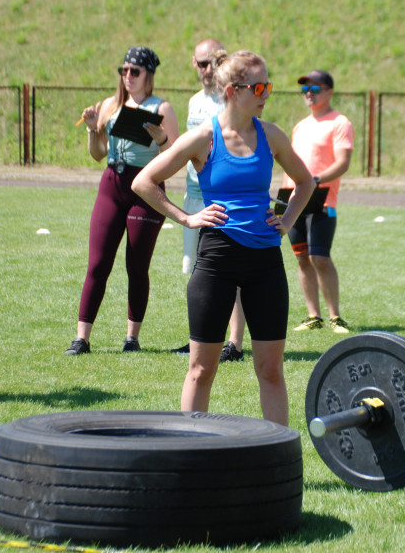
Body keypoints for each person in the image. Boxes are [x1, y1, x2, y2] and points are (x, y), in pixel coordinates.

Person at [132, 50, 315, 426]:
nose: (266, 94)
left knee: (270, 369)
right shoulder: (204, 138)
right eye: (259, 86)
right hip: (216, 260)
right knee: (201, 368)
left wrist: (285, 220)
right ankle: (192, 449)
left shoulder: (271, 135)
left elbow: (306, 181)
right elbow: (143, 182)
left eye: (269, 85)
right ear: (233, 90)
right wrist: (186, 218)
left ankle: (275, 454)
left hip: (265, 263)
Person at [64, 47, 178, 355]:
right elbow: (99, 153)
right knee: (98, 263)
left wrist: (161, 138)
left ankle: (132, 338)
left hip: (146, 186)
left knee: (137, 265)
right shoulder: (110, 105)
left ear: (148, 75)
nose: (128, 76)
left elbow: (175, 157)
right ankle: (82, 338)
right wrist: (91, 129)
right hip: (112, 184)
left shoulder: (162, 107)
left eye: (135, 71)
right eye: (124, 70)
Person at [169, 38, 247, 363]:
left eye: (214, 63)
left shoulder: (232, 99)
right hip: (194, 193)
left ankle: (235, 343)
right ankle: (202, 338)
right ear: (194, 64)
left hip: (223, 195)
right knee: (199, 268)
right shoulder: (193, 102)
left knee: (231, 270)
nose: (208, 70)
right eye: (202, 64)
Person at [283, 69, 354, 334]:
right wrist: (284, 196)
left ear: (329, 91)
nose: (309, 94)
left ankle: (335, 317)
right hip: (294, 199)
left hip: (322, 201)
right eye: (305, 89)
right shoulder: (300, 126)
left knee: (319, 257)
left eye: (314, 89)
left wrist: (315, 179)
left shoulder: (340, 123)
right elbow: (290, 165)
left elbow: (342, 163)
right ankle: (314, 316)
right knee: (302, 258)